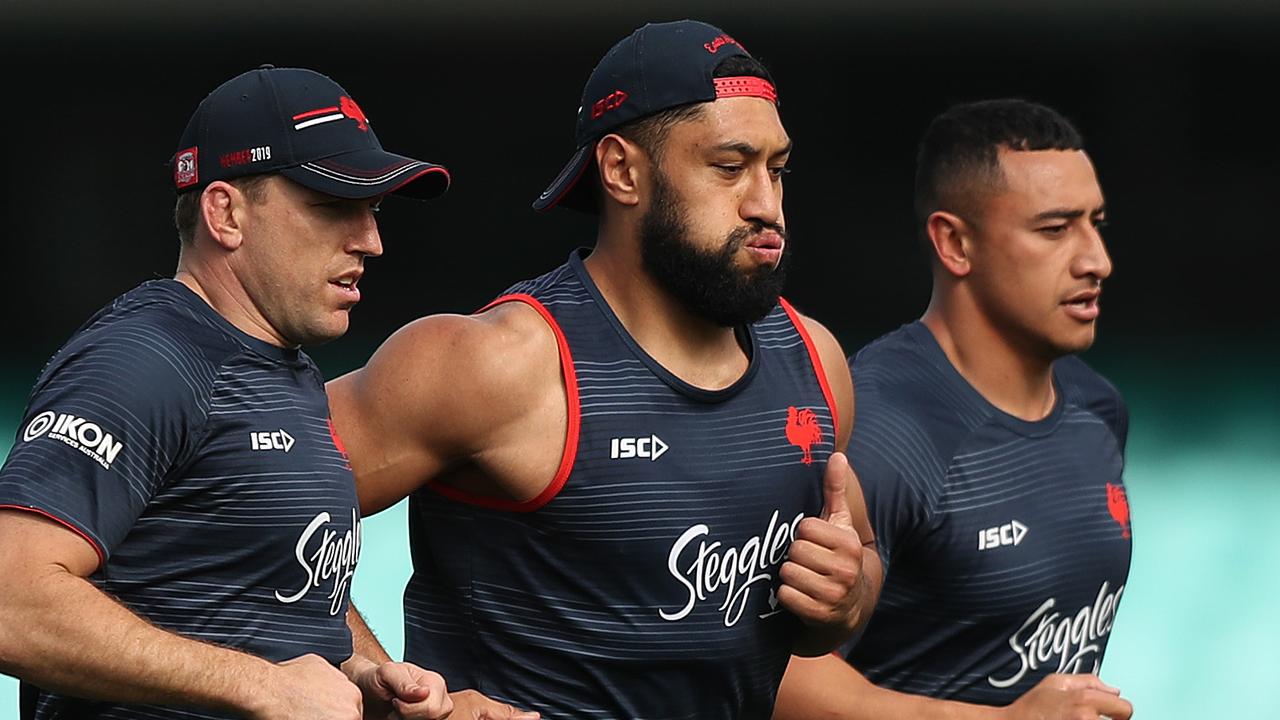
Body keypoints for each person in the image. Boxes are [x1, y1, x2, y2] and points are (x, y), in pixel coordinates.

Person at [326, 20, 882, 719]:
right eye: (729, 166)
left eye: (777, 168)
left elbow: (857, 555)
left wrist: (847, 595)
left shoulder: (816, 360)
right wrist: (378, 684)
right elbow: (227, 508)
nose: (766, 205)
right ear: (622, 171)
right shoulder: (495, 364)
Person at [0, 65, 458, 719]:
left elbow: (254, 606)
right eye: (333, 206)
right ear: (225, 213)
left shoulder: (284, 370)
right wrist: (261, 686)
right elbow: (9, 600)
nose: (370, 240)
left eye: (374, 209)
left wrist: (366, 677)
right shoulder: (142, 360)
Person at [772, 99, 1134, 719]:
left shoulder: (1098, 407)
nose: (1095, 260)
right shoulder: (882, 430)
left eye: (1096, 223)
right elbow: (776, 678)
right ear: (955, 242)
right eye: (1055, 229)